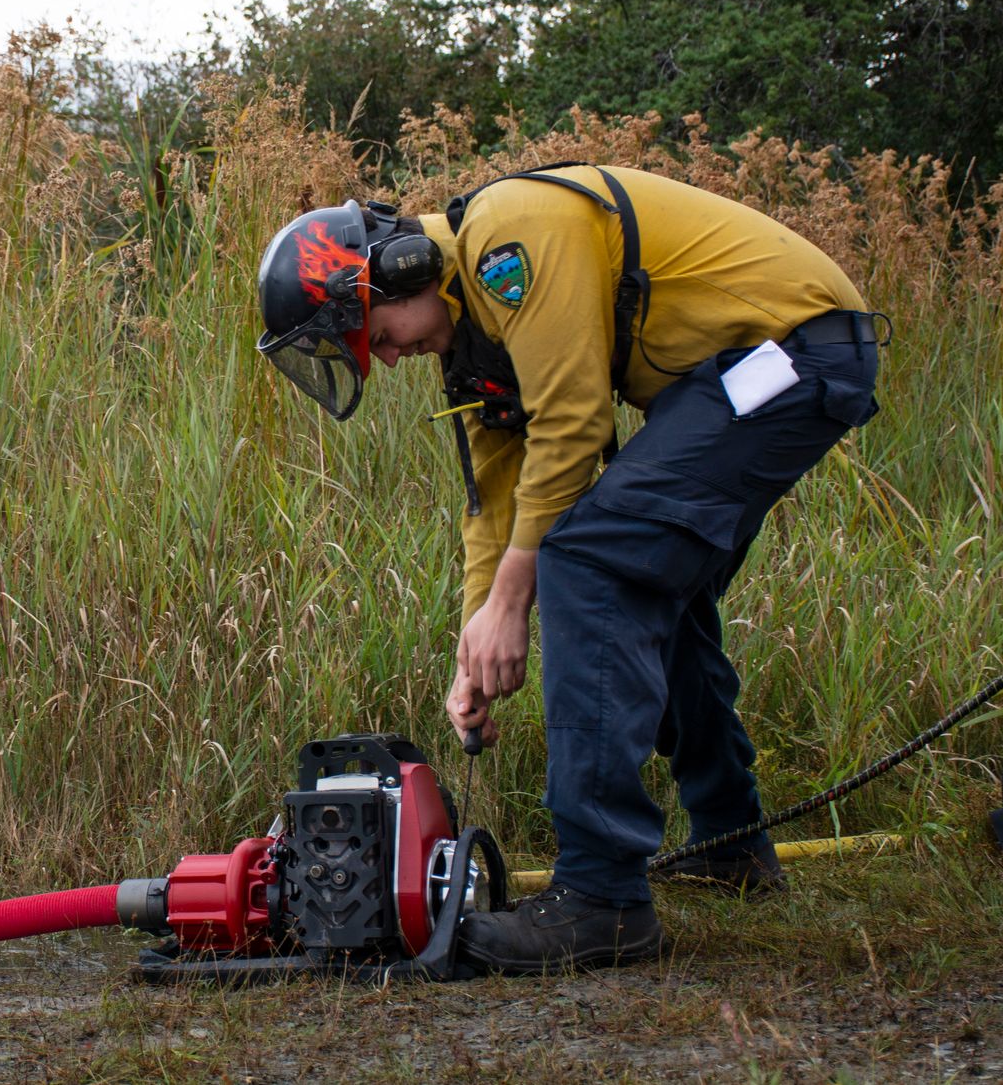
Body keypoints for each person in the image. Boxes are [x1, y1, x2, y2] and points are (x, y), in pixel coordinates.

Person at [254, 163, 882, 974]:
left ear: (399, 267)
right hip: (731, 377)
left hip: (792, 350)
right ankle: (732, 841)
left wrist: (517, 599)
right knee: (648, 581)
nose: (392, 358)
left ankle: (603, 899)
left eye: (376, 336)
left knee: (587, 561)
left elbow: (577, 426)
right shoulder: (470, 342)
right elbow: (495, 505)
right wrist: (474, 648)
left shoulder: (508, 237)